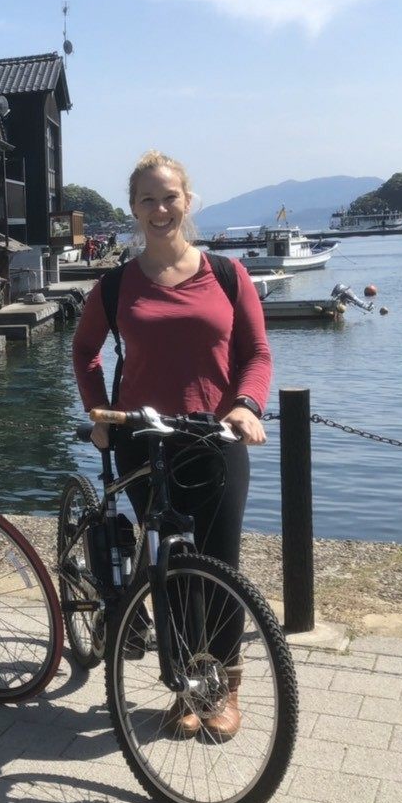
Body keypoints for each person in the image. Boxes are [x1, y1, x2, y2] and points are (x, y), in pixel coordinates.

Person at [71, 150, 271, 739]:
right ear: (134, 209)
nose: (160, 209)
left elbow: (257, 355)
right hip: (144, 438)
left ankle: (226, 687)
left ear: (188, 201)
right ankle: (191, 683)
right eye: (147, 200)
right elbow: (85, 353)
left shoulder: (228, 276)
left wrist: (246, 405)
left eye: (170, 197)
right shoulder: (114, 286)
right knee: (172, 565)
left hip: (215, 435)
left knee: (220, 563)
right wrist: (98, 412)